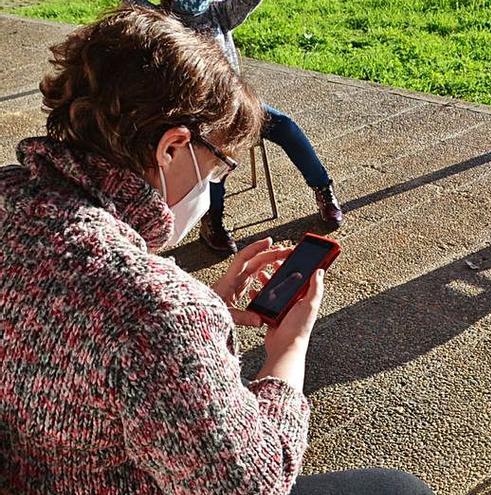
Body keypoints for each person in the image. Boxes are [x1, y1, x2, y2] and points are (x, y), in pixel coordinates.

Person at [0, 7, 431, 495]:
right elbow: (252, 485)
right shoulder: (157, 310)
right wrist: (286, 354)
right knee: (397, 489)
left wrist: (202, 312)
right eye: (216, 165)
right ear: (171, 147)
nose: (212, 182)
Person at [126, 0, 344, 255]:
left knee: (286, 127)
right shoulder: (158, 19)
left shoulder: (218, 13)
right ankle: (213, 221)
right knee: (213, 153)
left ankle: (322, 188)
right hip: (194, 118)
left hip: (238, 108)